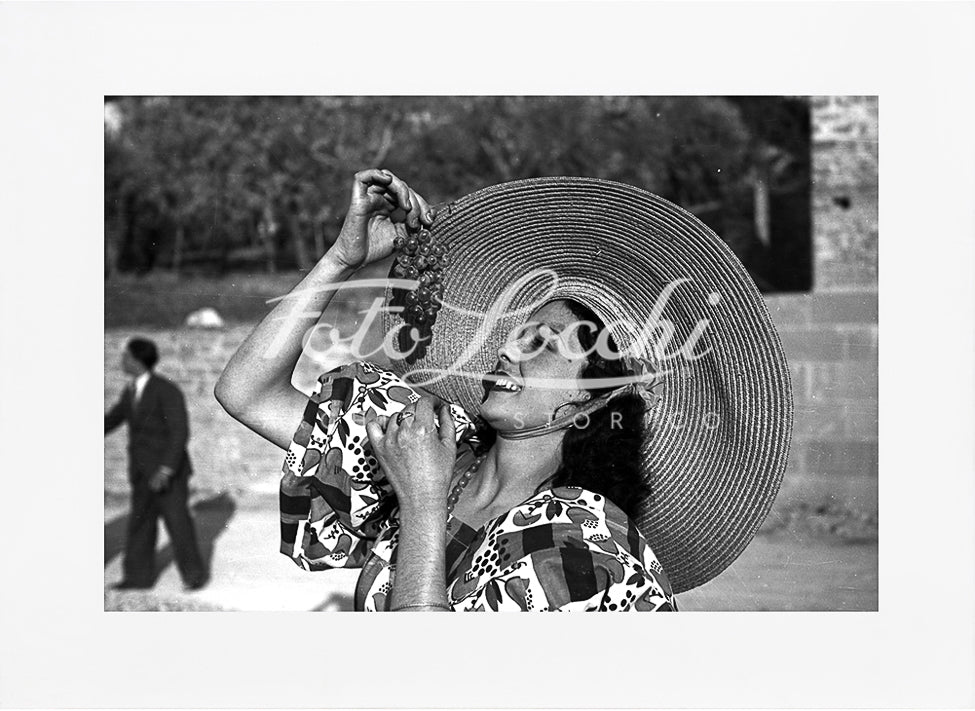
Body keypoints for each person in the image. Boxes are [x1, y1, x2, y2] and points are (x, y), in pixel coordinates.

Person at [215, 169, 793, 611]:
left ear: (592, 400)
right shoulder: (439, 446)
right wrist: (343, 260)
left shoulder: (580, 542)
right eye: (517, 335)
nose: (508, 351)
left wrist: (420, 503)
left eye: (543, 344)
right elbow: (247, 392)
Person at [105, 337, 208, 591]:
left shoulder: (166, 389)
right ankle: (138, 579)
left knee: (177, 523)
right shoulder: (131, 390)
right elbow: (113, 418)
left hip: (167, 473)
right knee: (140, 525)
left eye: (126, 357)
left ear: (137, 360)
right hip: (141, 472)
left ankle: (194, 576)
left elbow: (179, 432)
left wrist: (165, 470)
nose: (122, 361)